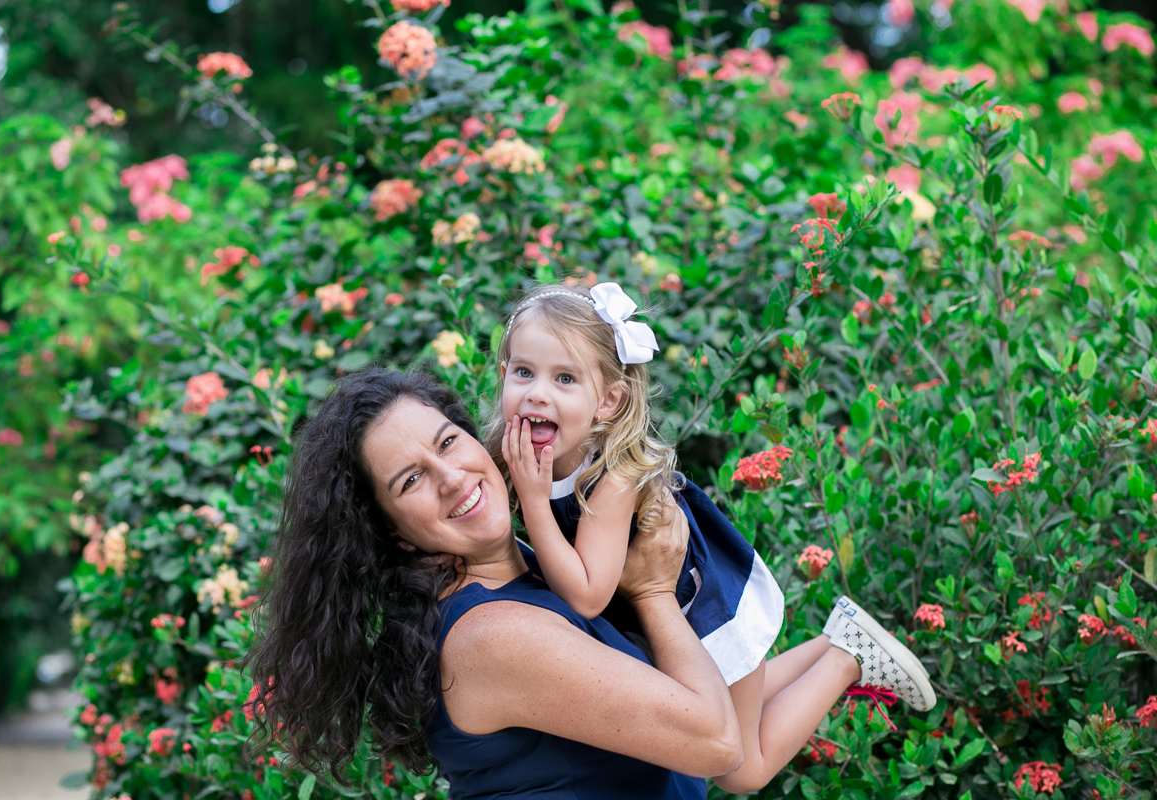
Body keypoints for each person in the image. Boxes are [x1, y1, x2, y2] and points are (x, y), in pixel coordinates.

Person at [246, 366, 933, 798]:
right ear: (394, 531)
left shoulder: (540, 562)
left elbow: (672, 699)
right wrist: (656, 593)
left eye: (448, 441)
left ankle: (837, 649)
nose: (452, 476)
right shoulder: (492, 635)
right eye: (411, 480)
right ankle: (842, 651)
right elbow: (718, 746)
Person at [487, 282, 936, 791]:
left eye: (565, 378)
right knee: (742, 700)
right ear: (504, 376)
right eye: (524, 372)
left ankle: (843, 659)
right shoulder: (517, 448)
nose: (537, 392)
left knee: (740, 771)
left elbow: (587, 595)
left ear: (609, 401)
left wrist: (534, 499)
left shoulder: (610, 477)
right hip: (668, 625)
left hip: (706, 611)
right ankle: (837, 638)